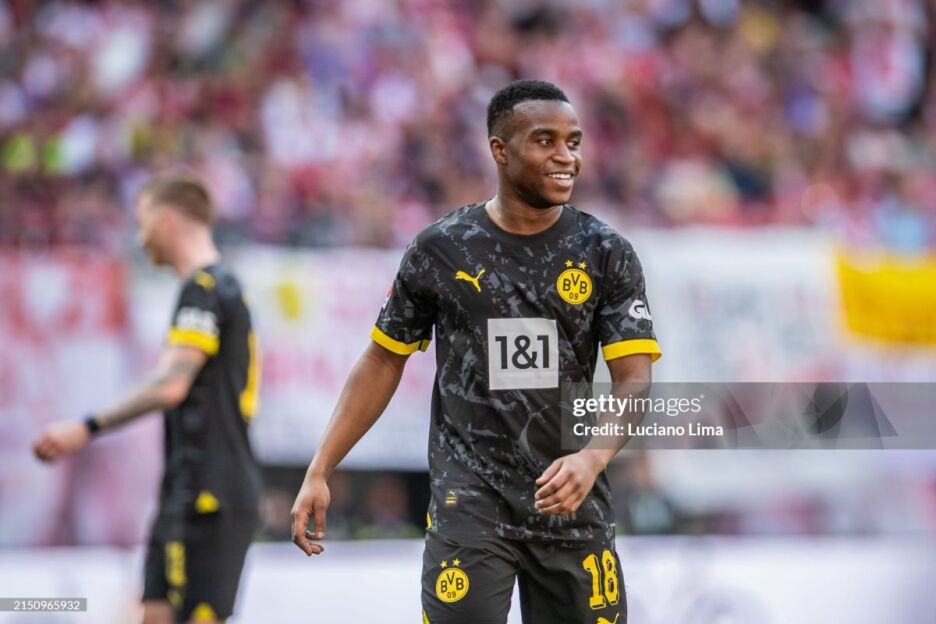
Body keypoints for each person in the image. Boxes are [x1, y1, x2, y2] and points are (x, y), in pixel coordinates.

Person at [290, 79, 661, 624]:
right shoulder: (441, 249)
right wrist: (320, 468)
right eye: (546, 141)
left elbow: (634, 378)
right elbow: (383, 359)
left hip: (571, 499)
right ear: (500, 150)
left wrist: (594, 457)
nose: (566, 156)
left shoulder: (606, 252)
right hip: (470, 503)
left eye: (574, 142)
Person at [32, 172, 262, 624]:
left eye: (143, 223)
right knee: (148, 614)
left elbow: (171, 383)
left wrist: (86, 426)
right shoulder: (213, 290)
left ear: (167, 220)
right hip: (187, 491)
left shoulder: (205, 290)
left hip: (208, 495)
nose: (139, 238)